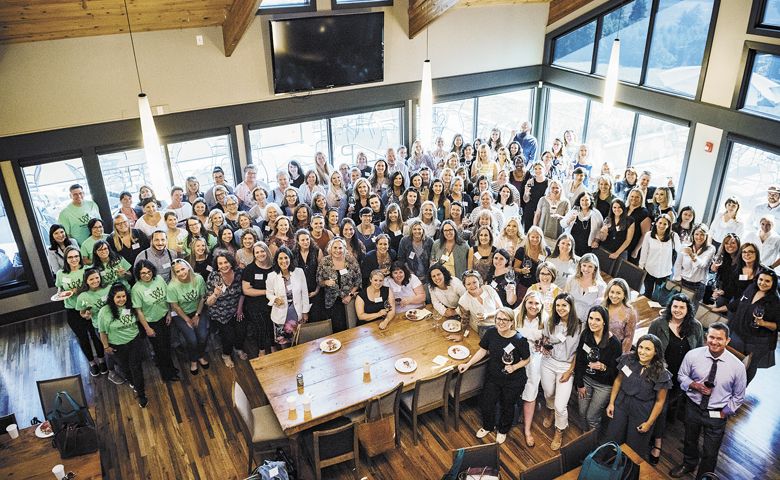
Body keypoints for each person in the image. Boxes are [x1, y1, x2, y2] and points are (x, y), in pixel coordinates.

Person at [670, 322, 747, 479]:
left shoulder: (737, 367)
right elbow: (681, 375)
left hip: (717, 413)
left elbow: (738, 396)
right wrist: (694, 385)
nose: (714, 342)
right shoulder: (693, 355)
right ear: (706, 337)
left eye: (719, 339)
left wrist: (724, 413)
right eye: (711, 337)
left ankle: (704, 476)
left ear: (727, 341)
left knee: (710, 451)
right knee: (690, 440)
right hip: (693, 407)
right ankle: (688, 464)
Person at [458, 307, 530, 445]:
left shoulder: (519, 339)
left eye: (505, 319)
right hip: (494, 376)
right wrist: (468, 364)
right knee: (487, 402)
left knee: (507, 405)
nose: (501, 322)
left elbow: (527, 359)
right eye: (499, 319)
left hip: (513, 380)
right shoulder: (491, 333)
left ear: (511, 322)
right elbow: (482, 351)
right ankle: (488, 426)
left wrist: (514, 367)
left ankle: (503, 430)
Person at [648, 294, 704, 465]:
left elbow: (699, 351)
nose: (678, 310)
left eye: (682, 307)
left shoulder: (696, 327)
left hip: (683, 378)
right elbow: (649, 347)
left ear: (688, 310)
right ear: (670, 307)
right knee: (662, 408)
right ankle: (657, 442)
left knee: (670, 407)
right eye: (675, 306)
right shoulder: (658, 324)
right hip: (662, 375)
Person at [605, 334, 672, 459]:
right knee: (612, 437)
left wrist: (649, 423)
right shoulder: (627, 360)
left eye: (648, 349)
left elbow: (659, 402)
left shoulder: (662, 373)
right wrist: (611, 402)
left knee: (634, 447)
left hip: (642, 410)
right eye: (640, 347)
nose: (642, 352)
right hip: (621, 403)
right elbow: (618, 381)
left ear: (656, 352)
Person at [540, 293, 582, 450]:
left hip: (566, 366)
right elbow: (544, 339)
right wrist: (544, 346)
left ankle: (559, 430)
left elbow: (578, 352)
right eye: (558, 305)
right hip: (548, 362)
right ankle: (550, 411)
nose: (560, 308)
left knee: (560, 405)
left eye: (564, 305)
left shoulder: (579, 326)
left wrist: (571, 370)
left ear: (571, 307)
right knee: (548, 393)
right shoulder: (550, 321)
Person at [98, 282, 149, 407]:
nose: (122, 300)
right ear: (112, 298)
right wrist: (106, 347)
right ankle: (132, 382)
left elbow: (139, 319)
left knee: (136, 367)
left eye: (124, 296)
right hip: (117, 346)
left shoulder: (131, 306)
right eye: (118, 297)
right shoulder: (104, 312)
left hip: (134, 341)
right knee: (125, 368)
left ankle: (141, 395)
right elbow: (102, 332)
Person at [57, 247, 106, 376]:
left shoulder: (87, 270)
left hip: (89, 308)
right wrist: (61, 294)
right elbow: (59, 289)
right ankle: (92, 363)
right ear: (66, 259)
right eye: (70, 257)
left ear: (80, 257)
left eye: (76, 256)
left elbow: (96, 285)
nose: (74, 259)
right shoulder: (61, 274)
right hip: (72, 309)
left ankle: (101, 361)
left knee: (95, 336)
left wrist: (77, 291)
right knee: (82, 338)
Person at [574, 305, 622, 431]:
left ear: (604, 322)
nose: (592, 322)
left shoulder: (615, 344)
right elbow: (579, 360)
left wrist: (603, 367)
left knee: (591, 417)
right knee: (582, 412)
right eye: (591, 318)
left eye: (597, 319)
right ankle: (585, 436)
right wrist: (579, 384)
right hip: (586, 379)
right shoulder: (586, 335)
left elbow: (615, 373)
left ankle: (593, 443)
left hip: (604, 385)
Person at [727, 269, 779, 385]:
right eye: (761, 279)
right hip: (739, 333)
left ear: (773, 283)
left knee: (749, 366)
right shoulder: (751, 288)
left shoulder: (775, 301)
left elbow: (777, 326)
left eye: (767, 281)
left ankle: (740, 389)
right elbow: (738, 303)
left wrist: (764, 323)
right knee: (733, 361)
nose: (763, 283)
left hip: (758, 341)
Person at [131, 260, 179, 382]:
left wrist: (169, 313)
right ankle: (166, 374)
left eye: (148, 272)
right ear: (138, 274)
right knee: (159, 349)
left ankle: (171, 368)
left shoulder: (159, 279)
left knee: (167, 346)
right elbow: (139, 311)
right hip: (151, 323)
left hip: (164, 318)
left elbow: (166, 297)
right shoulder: (136, 289)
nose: (146, 275)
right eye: (143, 273)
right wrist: (147, 328)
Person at [167, 259, 209, 375]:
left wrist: (197, 315)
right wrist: (187, 319)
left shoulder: (198, 279)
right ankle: (193, 360)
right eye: (177, 271)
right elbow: (175, 306)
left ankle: (200, 355)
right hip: (181, 314)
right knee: (192, 339)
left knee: (203, 336)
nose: (181, 273)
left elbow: (202, 297)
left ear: (188, 268)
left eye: (183, 269)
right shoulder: (172, 286)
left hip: (198, 310)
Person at [205, 251, 247, 367]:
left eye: (226, 262)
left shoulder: (239, 273)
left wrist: (239, 309)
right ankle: (226, 354)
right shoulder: (213, 277)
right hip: (220, 313)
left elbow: (243, 293)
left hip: (236, 309)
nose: (223, 265)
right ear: (217, 265)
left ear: (231, 262)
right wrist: (215, 294)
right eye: (220, 263)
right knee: (228, 336)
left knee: (242, 331)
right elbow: (208, 302)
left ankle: (238, 348)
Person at [517, 290, 546, 447]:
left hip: (534, 359)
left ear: (541, 306)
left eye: (537, 303)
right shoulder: (517, 315)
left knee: (531, 390)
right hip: (515, 356)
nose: (533, 306)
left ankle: (527, 430)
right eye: (530, 302)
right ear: (525, 303)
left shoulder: (546, 320)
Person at [266, 246, 310, 346]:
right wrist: (274, 299)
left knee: (297, 339)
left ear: (290, 258)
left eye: (286, 258)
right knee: (283, 342)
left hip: (296, 312)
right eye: (280, 258)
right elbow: (268, 293)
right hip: (280, 313)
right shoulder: (271, 276)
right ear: (276, 260)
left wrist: (305, 312)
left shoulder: (299, 272)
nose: (284, 261)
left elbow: (304, 293)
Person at [317, 238, 362, 332]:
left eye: (340, 248)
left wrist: (350, 295)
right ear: (330, 248)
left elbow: (358, 281)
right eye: (335, 247)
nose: (338, 250)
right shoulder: (324, 261)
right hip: (331, 301)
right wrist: (325, 282)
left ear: (344, 248)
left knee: (350, 328)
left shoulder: (351, 260)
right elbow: (319, 281)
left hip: (348, 300)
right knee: (335, 328)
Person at [672, 223, 716, 307]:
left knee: (691, 310)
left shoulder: (711, 249)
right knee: (677, 307)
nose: (699, 237)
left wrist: (692, 255)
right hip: (682, 281)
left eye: (702, 234)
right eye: (696, 234)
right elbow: (678, 264)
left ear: (706, 236)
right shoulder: (685, 245)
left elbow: (702, 265)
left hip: (698, 285)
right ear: (693, 235)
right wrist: (677, 279)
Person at [639, 214, 680, 300]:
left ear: (669, 225)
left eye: (665, 224)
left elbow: (680, 251)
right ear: (656, 223)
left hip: (665, 272)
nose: (662, 226)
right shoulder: (649, 235)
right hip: (650, 269)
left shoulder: (673, 236)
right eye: (660, 223)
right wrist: (641, 267)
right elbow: (644, 252)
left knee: (660, 296)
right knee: (647, 293)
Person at [458, 270, 502, 338]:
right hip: (484, 327)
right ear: (465, 286)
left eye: (474, 282)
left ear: (479, 281)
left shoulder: (488, 289)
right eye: (468, 284)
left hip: (500, 321)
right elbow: (464, 321)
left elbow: (501, 310)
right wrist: (462, 336)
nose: (472, 286)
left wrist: (487, 315)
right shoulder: (463, 300)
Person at [560, 191, 603, 257]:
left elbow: (600, 229)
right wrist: (569, 220)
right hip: (571, 244)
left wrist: (596, 241)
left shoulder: (596, 214)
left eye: (587, 200)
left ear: (591, 201)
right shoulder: (574, 211)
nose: (584, 202)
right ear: (579, 201)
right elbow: (562, 224)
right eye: (582, 200)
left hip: (586, 246)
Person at [566, 253, 606, 323]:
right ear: (580, 266)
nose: (586, 269)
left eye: (590, 266)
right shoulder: (571, 279)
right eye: (584, 265)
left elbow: (600, 309)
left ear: (595, 268)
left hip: (587, 322)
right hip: (568, 318)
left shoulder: (601, 286)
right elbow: (564, 299)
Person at [602, 278, 638, 353]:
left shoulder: (630, 313)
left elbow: (628, 338)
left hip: (614, 349)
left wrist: (621, 357)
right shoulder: (600, 304)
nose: (614, 296)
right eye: (612, 292)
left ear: (624, 294)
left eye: (618, 293)